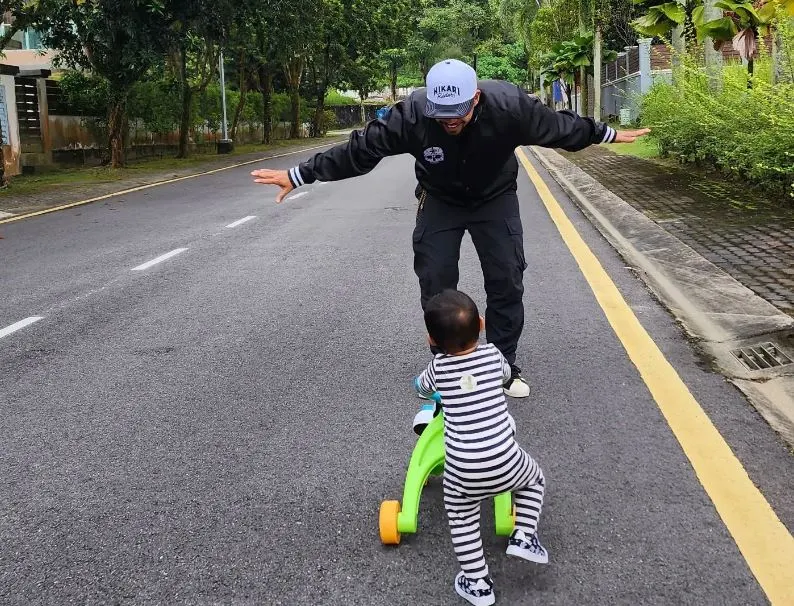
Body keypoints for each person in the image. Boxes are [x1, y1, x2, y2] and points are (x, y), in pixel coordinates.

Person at [251, 59, 649, 432]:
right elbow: (359, 151)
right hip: (439, 198)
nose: (451, 122)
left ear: (476, 98)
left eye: (459, 112)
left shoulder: (509, 106)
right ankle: (446, 369)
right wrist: (300, 175)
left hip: (495, 196)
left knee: (507, 278)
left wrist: (607, 133)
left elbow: (559, 127)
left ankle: (504, 365)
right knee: (436, 282)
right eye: (443, 115)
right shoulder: (410, 115)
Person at [414, 289, 547, 606]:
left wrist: (425, 387)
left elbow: (421, 388)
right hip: (506, 458)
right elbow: (503, 378)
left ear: (431, 339)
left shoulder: (438, 370)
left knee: (462, 519)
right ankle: (524, 534)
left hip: (462, 468)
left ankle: (477, 583)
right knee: (534, 480)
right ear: (482, 325)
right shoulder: (494, 356)